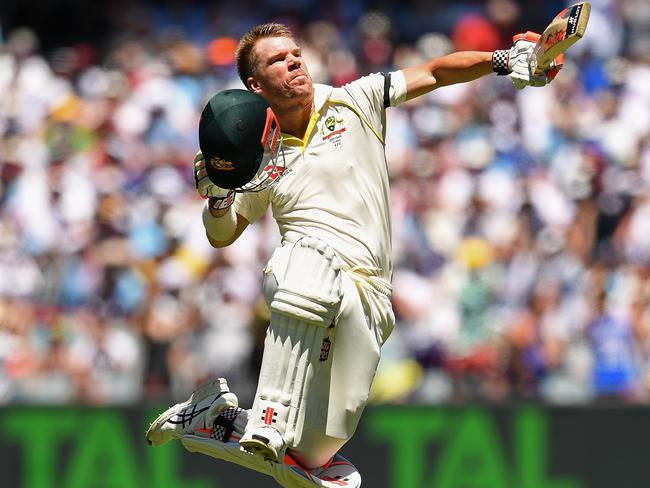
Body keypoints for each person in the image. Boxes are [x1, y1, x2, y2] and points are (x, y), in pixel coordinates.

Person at [145, 23, 560, 487]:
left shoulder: (354, 100)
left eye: (295, 52)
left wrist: (502, 60)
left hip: (371, 292)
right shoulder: (260, 152)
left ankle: (216, 418)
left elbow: (435, 71)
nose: (294, 61)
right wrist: (219, 199)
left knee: (318, 453)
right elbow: (223, 236)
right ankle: (268, 412)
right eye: (278, 59)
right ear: (255, 85)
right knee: (312, 263)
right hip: (302, 275)